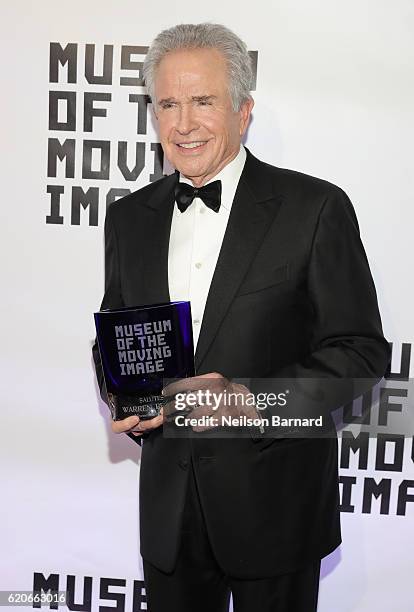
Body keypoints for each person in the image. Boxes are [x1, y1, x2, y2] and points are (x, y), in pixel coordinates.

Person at [93, 23, 390, 612]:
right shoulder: (130, 218)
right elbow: (113, 336)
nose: (183, 124)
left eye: (203, 101)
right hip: (170, 516)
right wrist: (124, 392)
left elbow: (359, 353)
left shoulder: (314, 208)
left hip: (276, 508)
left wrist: (248, 400)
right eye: (168, 104)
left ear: (243, 111)